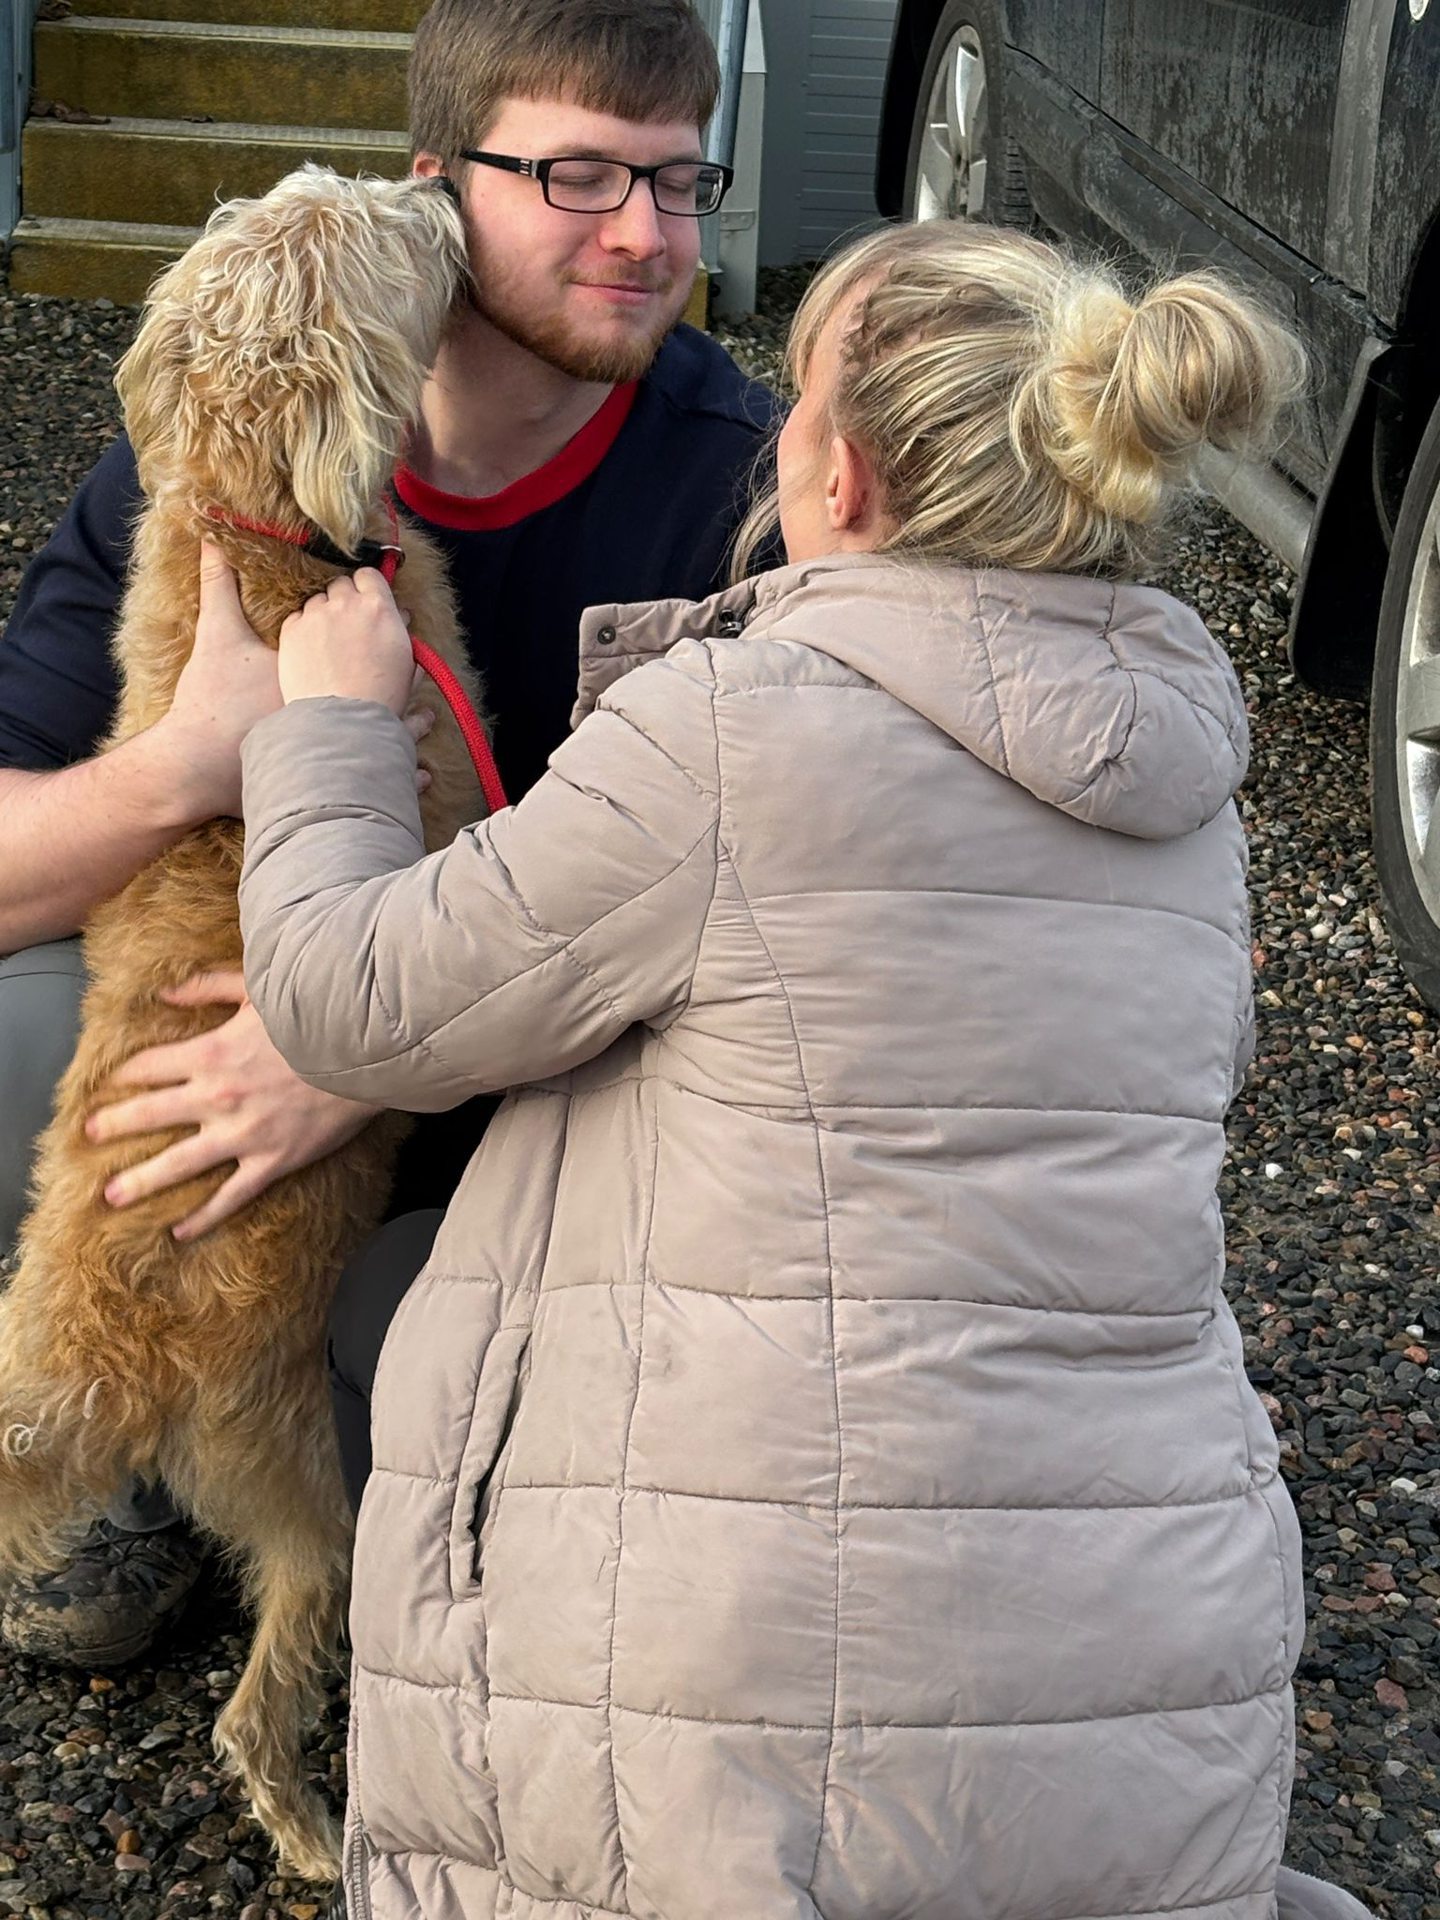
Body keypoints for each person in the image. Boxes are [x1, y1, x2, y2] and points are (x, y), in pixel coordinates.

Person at [233, 221, 1373, 1920]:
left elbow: (352, 999)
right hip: (1153, 1650)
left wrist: (323, 721)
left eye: (796, 407)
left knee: (394, 1304)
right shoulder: (1186, 782)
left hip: (751, 1720)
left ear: (838, 477)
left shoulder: (731, 733)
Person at [0, 0, 778, 1667]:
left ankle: (350, 1494)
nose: (647, 237)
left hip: (539, 1100)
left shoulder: (749, 501)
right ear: (436, 193)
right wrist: (188, 764)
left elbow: (772, 941)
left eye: (678, 180)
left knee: (422, 1375)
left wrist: (359, 1052)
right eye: (575, 176)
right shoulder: (225, 452)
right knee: (14, 1028)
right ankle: (137, 1452)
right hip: (237, 1009)